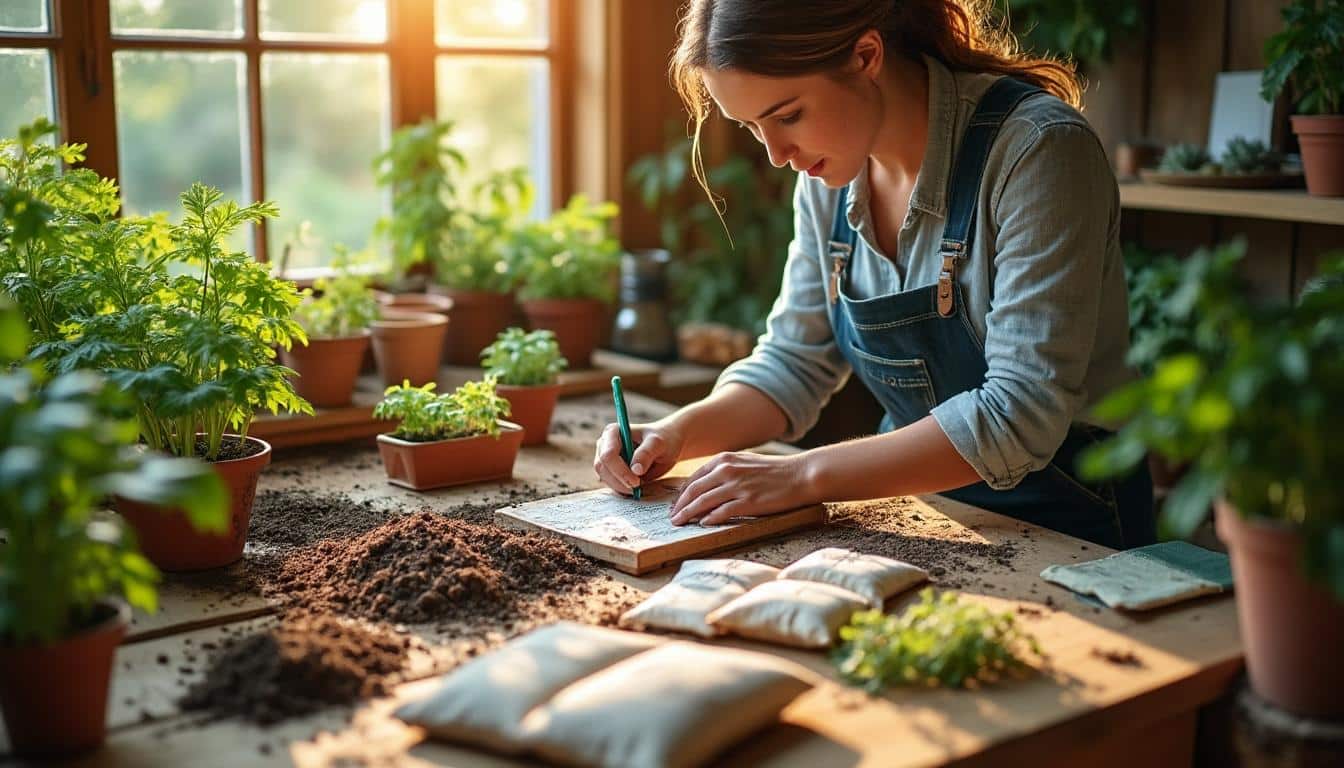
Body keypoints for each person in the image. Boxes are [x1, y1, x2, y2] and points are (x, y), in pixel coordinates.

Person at [593, 0, 1154, 550]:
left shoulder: (1037, 151)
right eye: (751, 127)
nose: (776, 154)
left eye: (787, 115)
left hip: (1072, 526)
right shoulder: (824, 176)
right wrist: (677, 433)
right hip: (916, 514)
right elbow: (794, 361)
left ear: (865, 55)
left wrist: (799, 476)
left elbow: (1019, 413)